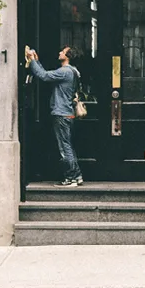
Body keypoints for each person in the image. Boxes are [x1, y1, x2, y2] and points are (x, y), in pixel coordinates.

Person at [26, 46, 84, 187]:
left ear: (68, 56)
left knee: (65, 148)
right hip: (67, 113)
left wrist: (32, 60)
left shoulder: (64, 71)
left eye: (62, 52)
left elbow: (44, 76)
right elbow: (44, 73)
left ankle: (71, 178)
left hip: (61, 112)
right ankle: (76, 176)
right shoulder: (74, 72)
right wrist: (37, 62)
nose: (59, 52)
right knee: (68, 146)